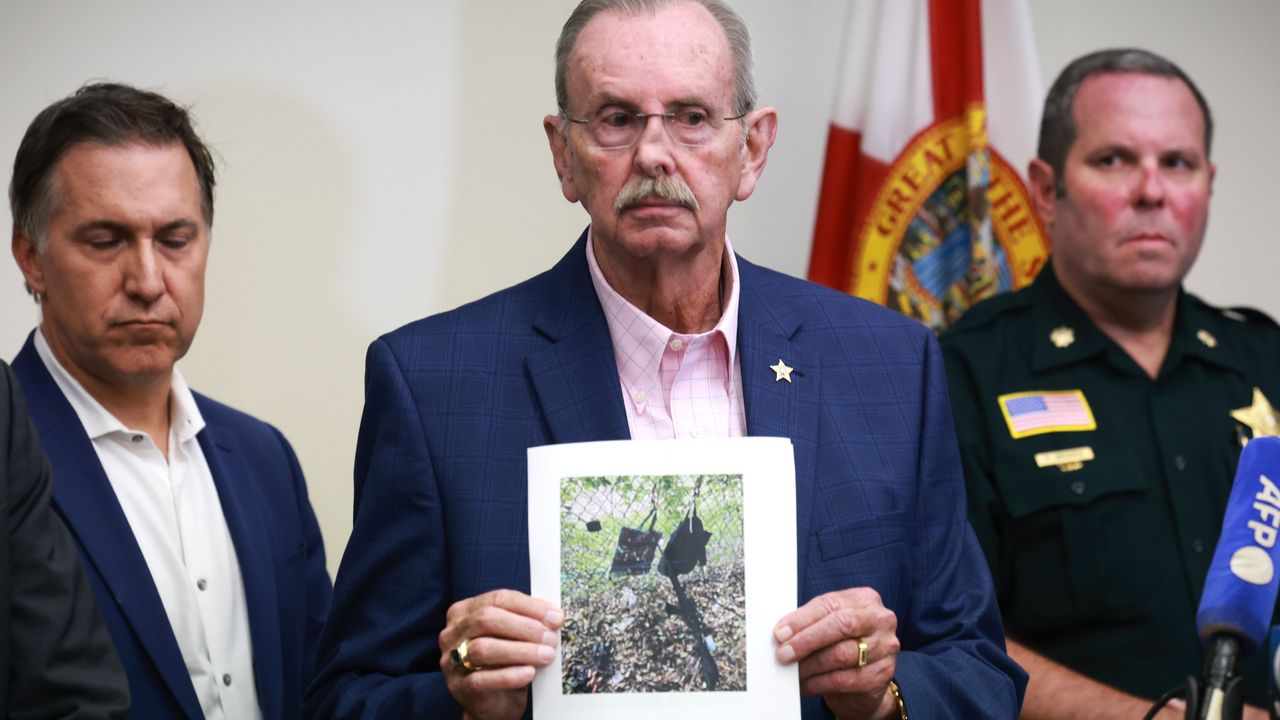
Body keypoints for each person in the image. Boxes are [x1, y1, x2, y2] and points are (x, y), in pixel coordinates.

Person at [306, 1, 1025, 718]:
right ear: (563, 154)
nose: (654, 153)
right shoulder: (433, 385)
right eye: (617, 118)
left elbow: (981, 673)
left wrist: (884, 699)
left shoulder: (890, 364)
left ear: (752, 150)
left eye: (691, 117)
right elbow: (346, 698)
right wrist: (465, 701)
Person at [941, 48, 1280, 719]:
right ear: (1045, 188)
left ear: (1207, 183)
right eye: (1114, 160)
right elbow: (947, 637)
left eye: (1177, 163)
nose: (1151, 189)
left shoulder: (1264, 359)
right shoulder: (964, 373)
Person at [8, 83, 332, 719]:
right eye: (106, 240)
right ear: (32, 259)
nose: (149, 281)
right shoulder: (7, 454)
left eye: (175, 239)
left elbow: (325, 688)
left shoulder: (265, 458)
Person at [1, 359, 131, 718]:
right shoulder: (23, 410)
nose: (148, 297)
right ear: (40, 295)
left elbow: (70, 692)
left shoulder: (266, 451)